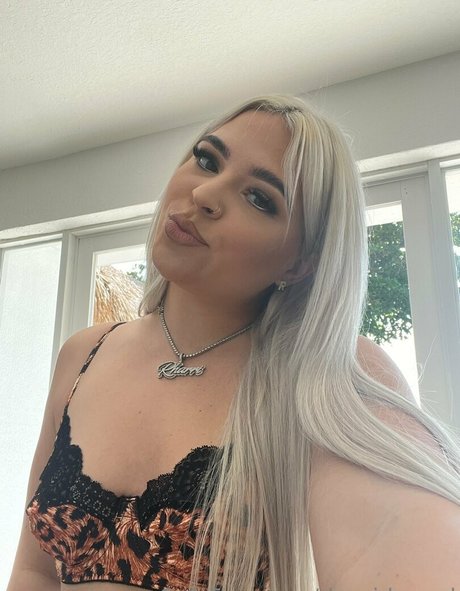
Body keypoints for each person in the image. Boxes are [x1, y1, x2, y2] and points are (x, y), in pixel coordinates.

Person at [8, 94, 460, 591]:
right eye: (207, 159)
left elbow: (395, 538)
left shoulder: (323, 372)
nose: (204, 192)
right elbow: (33, 571)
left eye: (260, 198)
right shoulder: (83, 354)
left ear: (300, 263)